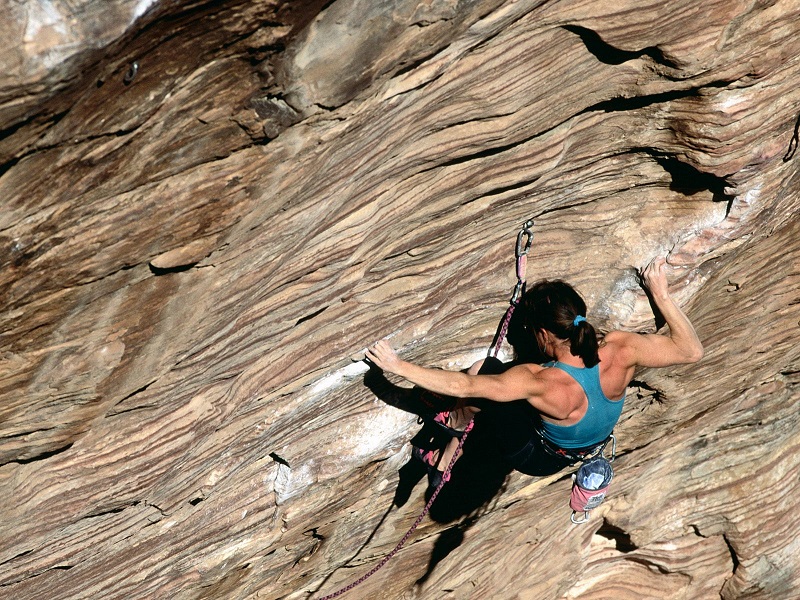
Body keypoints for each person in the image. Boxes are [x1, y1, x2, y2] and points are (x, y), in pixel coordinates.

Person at [365, 257, 704, 480]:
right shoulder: (622, 348)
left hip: (535, 456)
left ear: (542, 334)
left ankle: (451, 429)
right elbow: (691, 351)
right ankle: (448, 450)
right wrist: (660, 293)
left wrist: (398, 366)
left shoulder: (541, 382)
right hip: (584, 446)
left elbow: (466, 387)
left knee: (486, 369)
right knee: (500, 381)